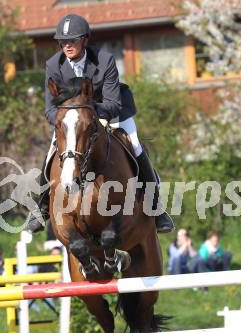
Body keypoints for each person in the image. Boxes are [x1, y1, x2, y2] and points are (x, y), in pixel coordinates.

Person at [25, 13, 174, 235]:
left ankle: (155, 206)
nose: (67, 46)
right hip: (73, 122)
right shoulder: (53, 65)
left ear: (84, 39)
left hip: (110, 113)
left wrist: (89, 115)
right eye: (63, 42)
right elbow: (49, 108)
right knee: (52, 152)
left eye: (72, 40)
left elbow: (113, 103)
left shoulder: (104, 60)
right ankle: (42, 207)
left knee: (135, 144)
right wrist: (67, 120)